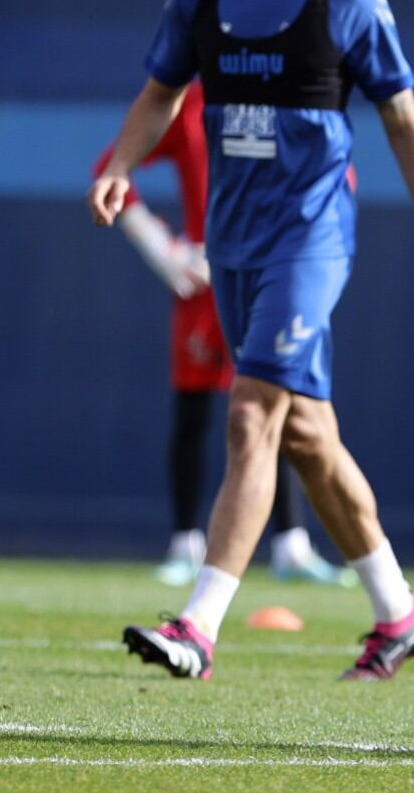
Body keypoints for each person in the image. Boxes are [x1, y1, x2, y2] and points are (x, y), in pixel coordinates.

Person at [86, 0, 414, 681]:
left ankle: (197, 626)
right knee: (305, 433)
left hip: (310, 243)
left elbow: (405, 125)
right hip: (231, 246)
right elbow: (161, 94)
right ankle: (399, 611)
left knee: (250, 412)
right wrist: (121, 165)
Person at [93, 79, 347, 588]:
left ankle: (290, 543)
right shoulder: (189, 104)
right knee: (195, 412)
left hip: (273, 279)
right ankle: (186, 541)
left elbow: (334, 179)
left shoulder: (291, 98)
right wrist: (161, 248)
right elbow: (111, 166)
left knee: (281, 410)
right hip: (207, 283)